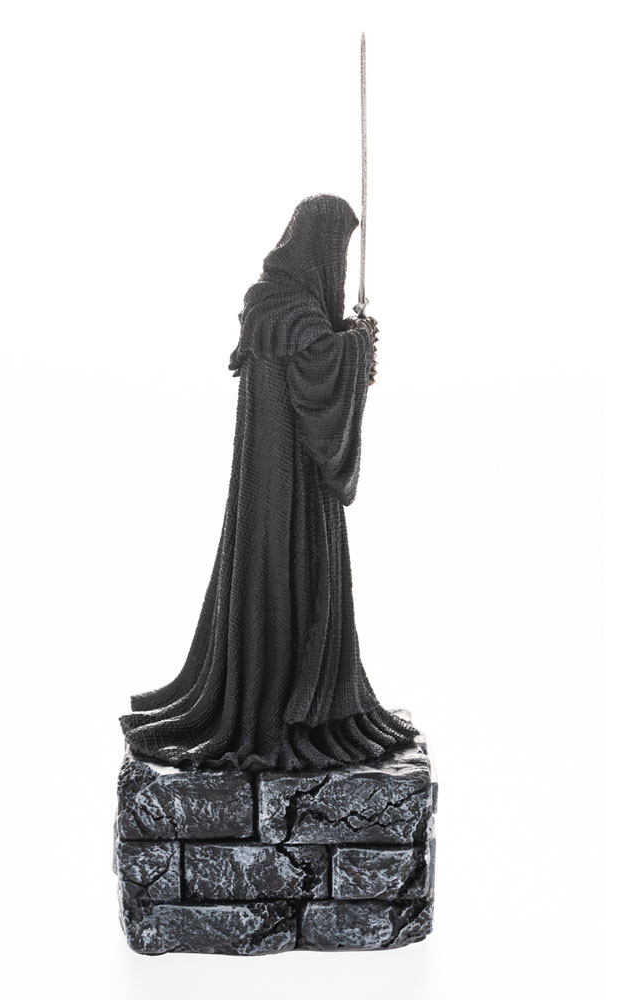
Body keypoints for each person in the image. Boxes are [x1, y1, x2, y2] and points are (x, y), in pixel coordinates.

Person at [118, 193, 420, 770]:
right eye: (338, 250)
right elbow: (318, 376)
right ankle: (288, 712)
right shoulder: (295, 316)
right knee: (292, 576)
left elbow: (317, 362)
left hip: (279, 486)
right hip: (291, 486)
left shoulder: (272, 305)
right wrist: (356, 346)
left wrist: (347, 343)